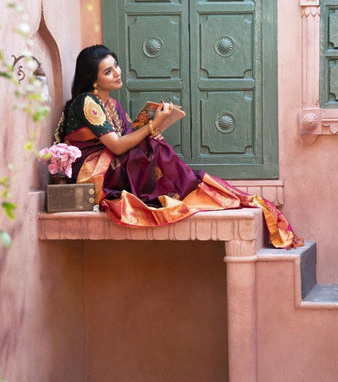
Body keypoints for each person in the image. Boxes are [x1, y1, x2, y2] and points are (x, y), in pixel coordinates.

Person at [55, 45, 303, 249]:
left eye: (116, 66)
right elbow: (118, 147)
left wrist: (153, 129)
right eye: (108, 72)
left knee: (153, 145)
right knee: (151, 145)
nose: (117, 73)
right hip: (91, 172)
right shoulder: (87, 102)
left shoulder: (109, 103)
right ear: (93, 79)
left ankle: (185, 188)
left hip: (110, 161)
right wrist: (152, 126)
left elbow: (130, 135)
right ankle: (186, 189)